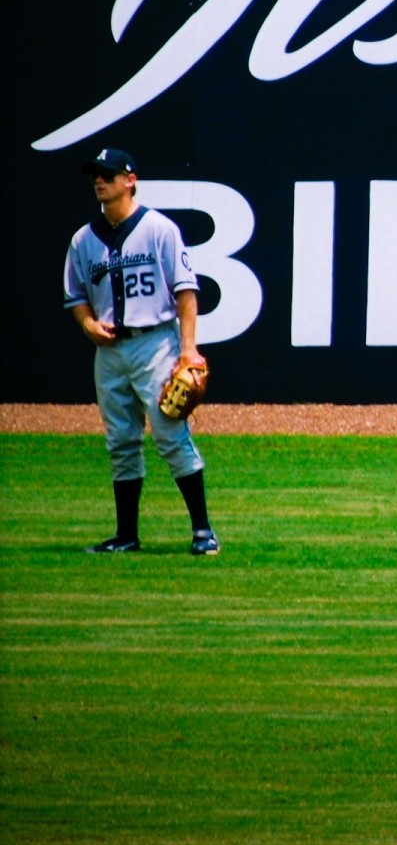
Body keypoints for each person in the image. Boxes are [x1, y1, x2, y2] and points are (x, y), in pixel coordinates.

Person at [62, 148, 219, 556]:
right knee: (121, 441)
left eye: (109, 174)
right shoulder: (83, 240)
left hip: (154, 343)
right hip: (109, 351)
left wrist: (188, 353)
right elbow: (75, 296)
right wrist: (87, 324)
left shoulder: (159, 229)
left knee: (170, 434)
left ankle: (203, 530)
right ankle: (126, 534)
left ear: (130, 180)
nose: (100, 181)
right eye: (97, 175)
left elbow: (185, 292)